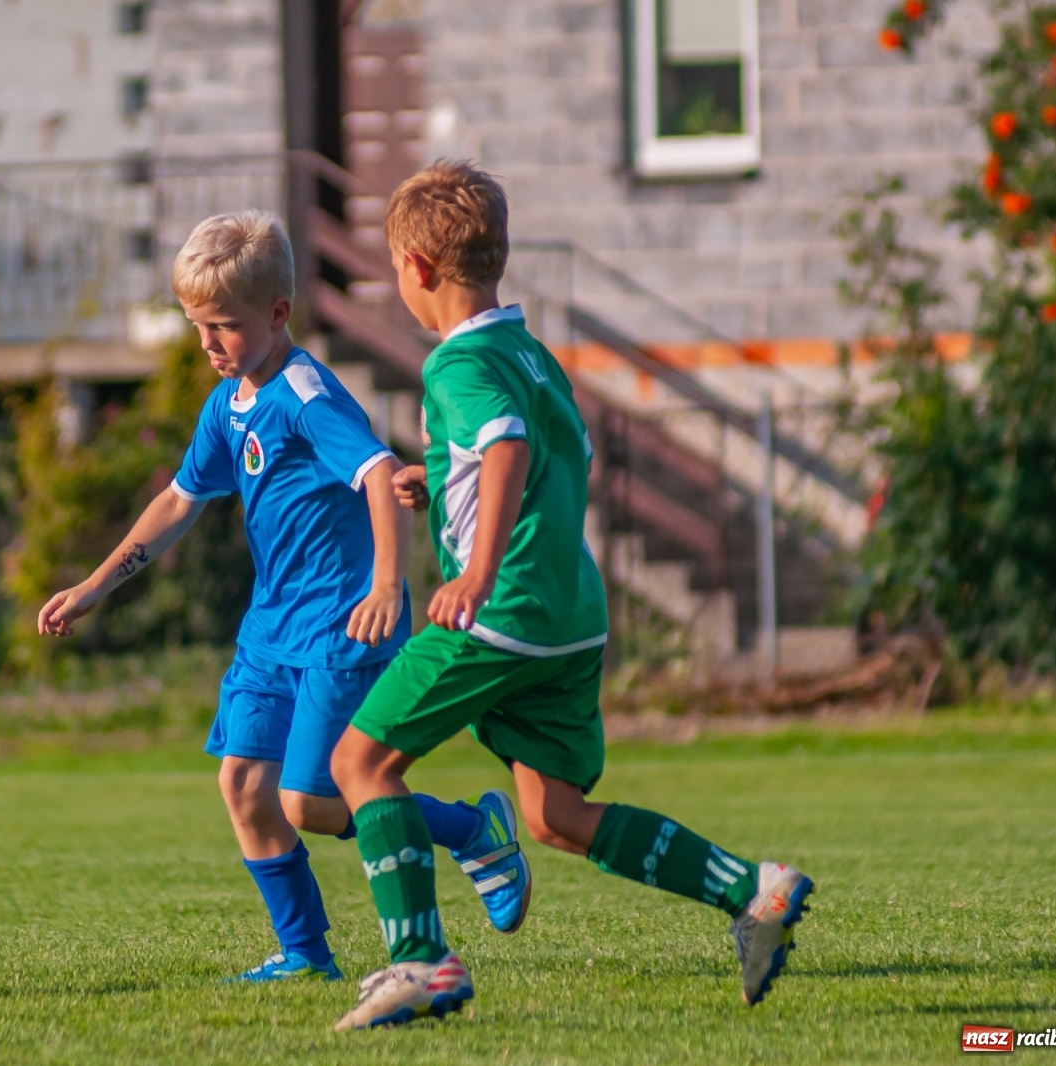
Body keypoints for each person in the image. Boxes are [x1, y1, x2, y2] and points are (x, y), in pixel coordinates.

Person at [328, 162, 815, 1030]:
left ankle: (422, 964)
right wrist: (437, 480)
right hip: (569, 617)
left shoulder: (457, 364)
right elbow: (533, 457)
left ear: (418, 270)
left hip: (501, 610)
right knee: (552, 815)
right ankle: (754, 890)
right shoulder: (531, 353)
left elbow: (508, 448)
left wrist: (474, 572)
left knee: (361, 764)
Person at [37, 211, 531, 983]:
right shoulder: (228, 401)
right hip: (271, 628)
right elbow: (178, 499)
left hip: (344, 624)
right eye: (197, 325)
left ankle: (472, 828)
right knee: (242, 784)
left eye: (223, 327)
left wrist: (385, 583)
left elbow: (376, 473)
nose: (207, 345)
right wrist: (97, 584)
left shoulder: (305, 393)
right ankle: (305, 955)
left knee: (314, 804)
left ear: (277, 315)